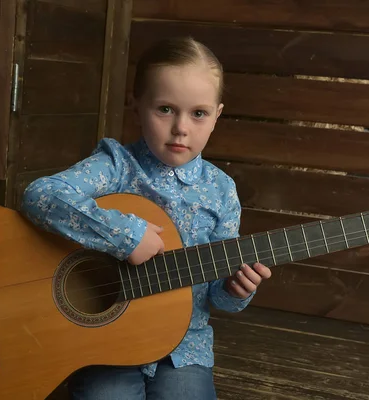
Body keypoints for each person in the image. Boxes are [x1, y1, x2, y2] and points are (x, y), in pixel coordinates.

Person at [20, 36, 272, 400]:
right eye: (165, 109)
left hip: (183, 349)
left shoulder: (221, 191)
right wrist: (124, 236)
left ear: (216, 116)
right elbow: (41, 195)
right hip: (101, 337)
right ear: (136, 107)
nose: (181, 128)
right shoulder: (116, 167)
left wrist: (236, 289)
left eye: (198, 113)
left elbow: (216, 294)